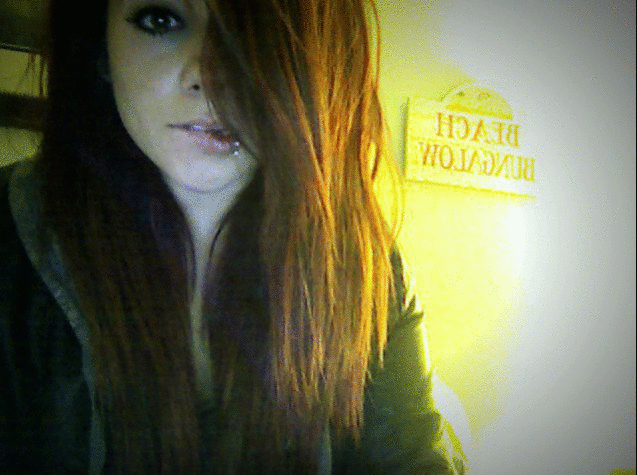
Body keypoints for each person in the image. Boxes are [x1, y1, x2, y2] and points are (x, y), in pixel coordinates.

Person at [0, 0, 469, 473]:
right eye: (160, 19)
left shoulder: (363, 268)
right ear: (100, 48)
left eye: (258, 31)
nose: (213, 74)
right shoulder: (9, 239)